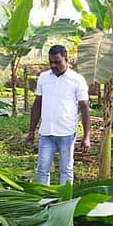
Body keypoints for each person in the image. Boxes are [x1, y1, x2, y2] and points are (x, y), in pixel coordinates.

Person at [25, 45, 91, 185]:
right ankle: (44, 202)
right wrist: (31, 131)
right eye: (51, 62)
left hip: (66, 133)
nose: (53, 65)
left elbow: (84, 108)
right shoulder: (43, 78)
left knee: (66, 170)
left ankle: (64, 202)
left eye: (57, 62)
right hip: (46, 133)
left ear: (66, 60)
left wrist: (86, 136)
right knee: (42, 169)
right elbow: (37, 105)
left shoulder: (77, 79)